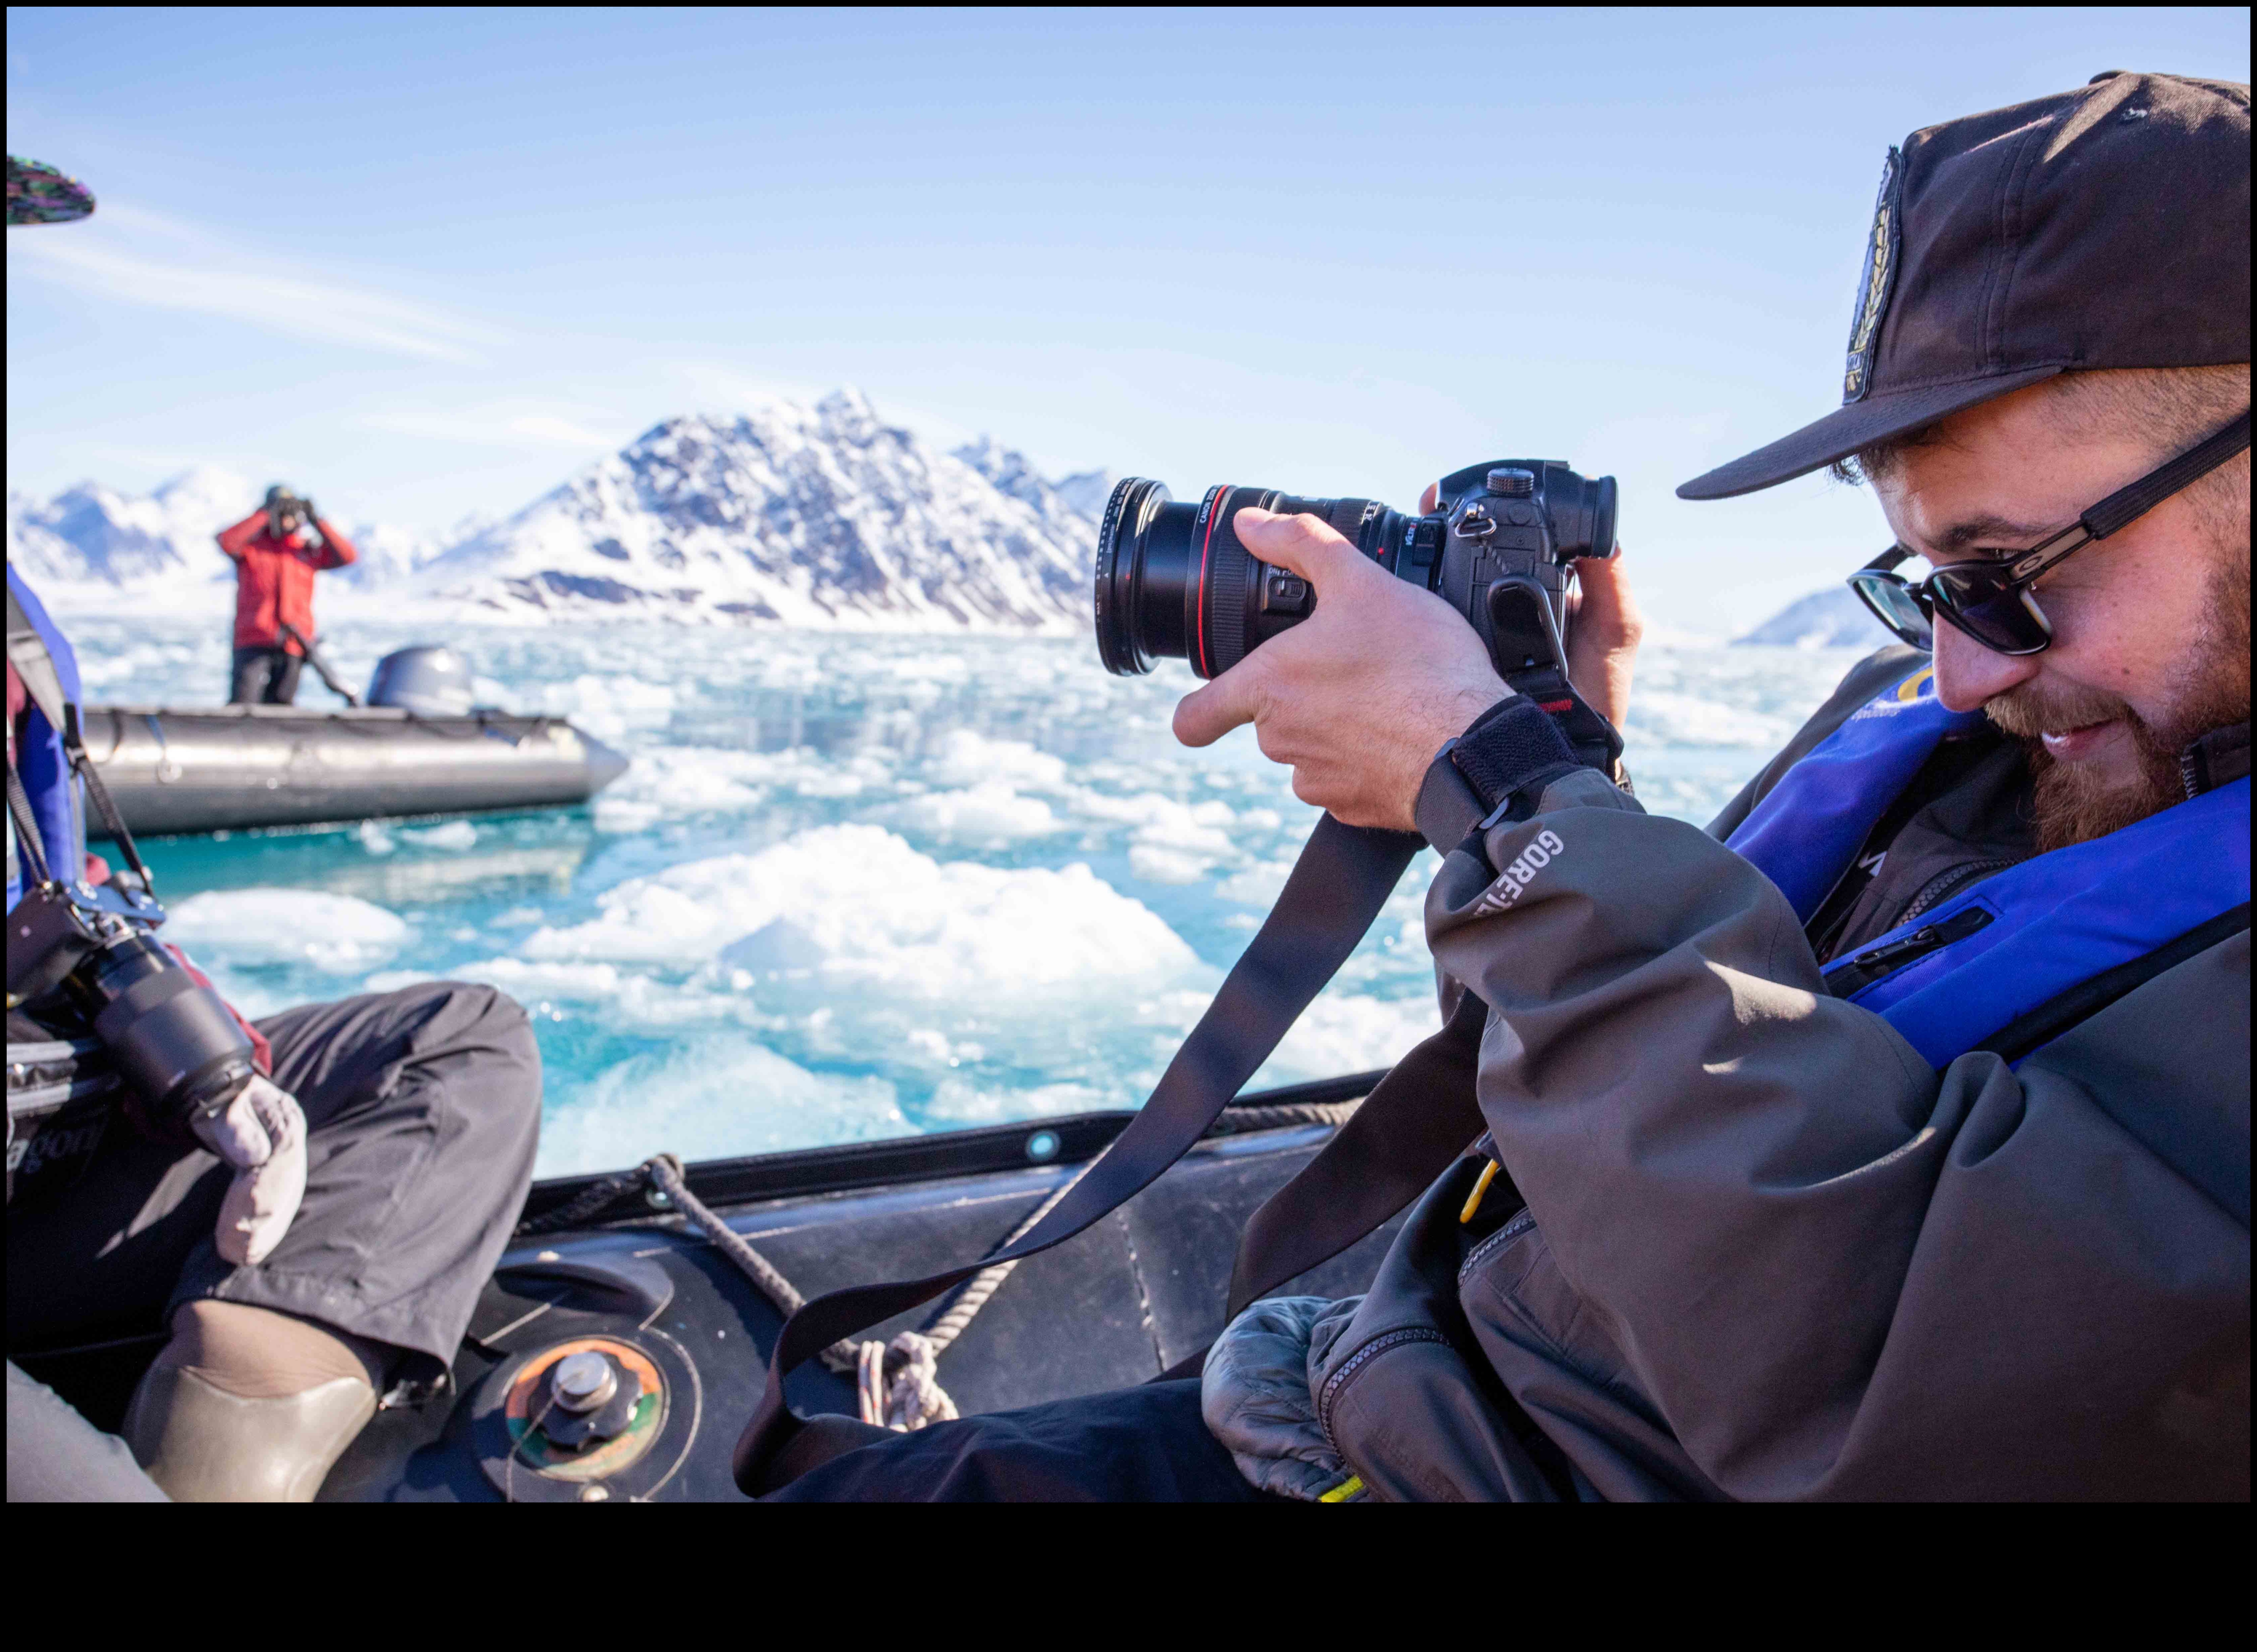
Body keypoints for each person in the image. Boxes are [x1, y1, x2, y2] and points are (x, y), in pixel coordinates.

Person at [763, 71, 2249, 1501]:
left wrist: (1503, 794)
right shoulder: (1988, 736)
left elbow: (1898, 1366)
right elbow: (1614, 1119)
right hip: (1390, 1395)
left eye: (2004, 572)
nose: (1961, 669)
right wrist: (1563, 784)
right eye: (1923, 580)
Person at [6, 160, 542, 1504]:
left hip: (44, 1125)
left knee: (457, 1042)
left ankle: (225, 1454)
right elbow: (236, 534)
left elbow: (52, 898)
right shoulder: (256, 549)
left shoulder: (16, 613)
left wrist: (196, 1059)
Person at [216, 485, 357, 705]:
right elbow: (227, 542)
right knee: (243, 704)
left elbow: (348, 556)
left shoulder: (306, 551)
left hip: (294, 642)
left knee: (282, 706)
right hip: (254, 640)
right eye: (281, 513)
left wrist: (317, 520)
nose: (287, 519)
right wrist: (265, 514)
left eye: (291, 513)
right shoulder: (251, 549)